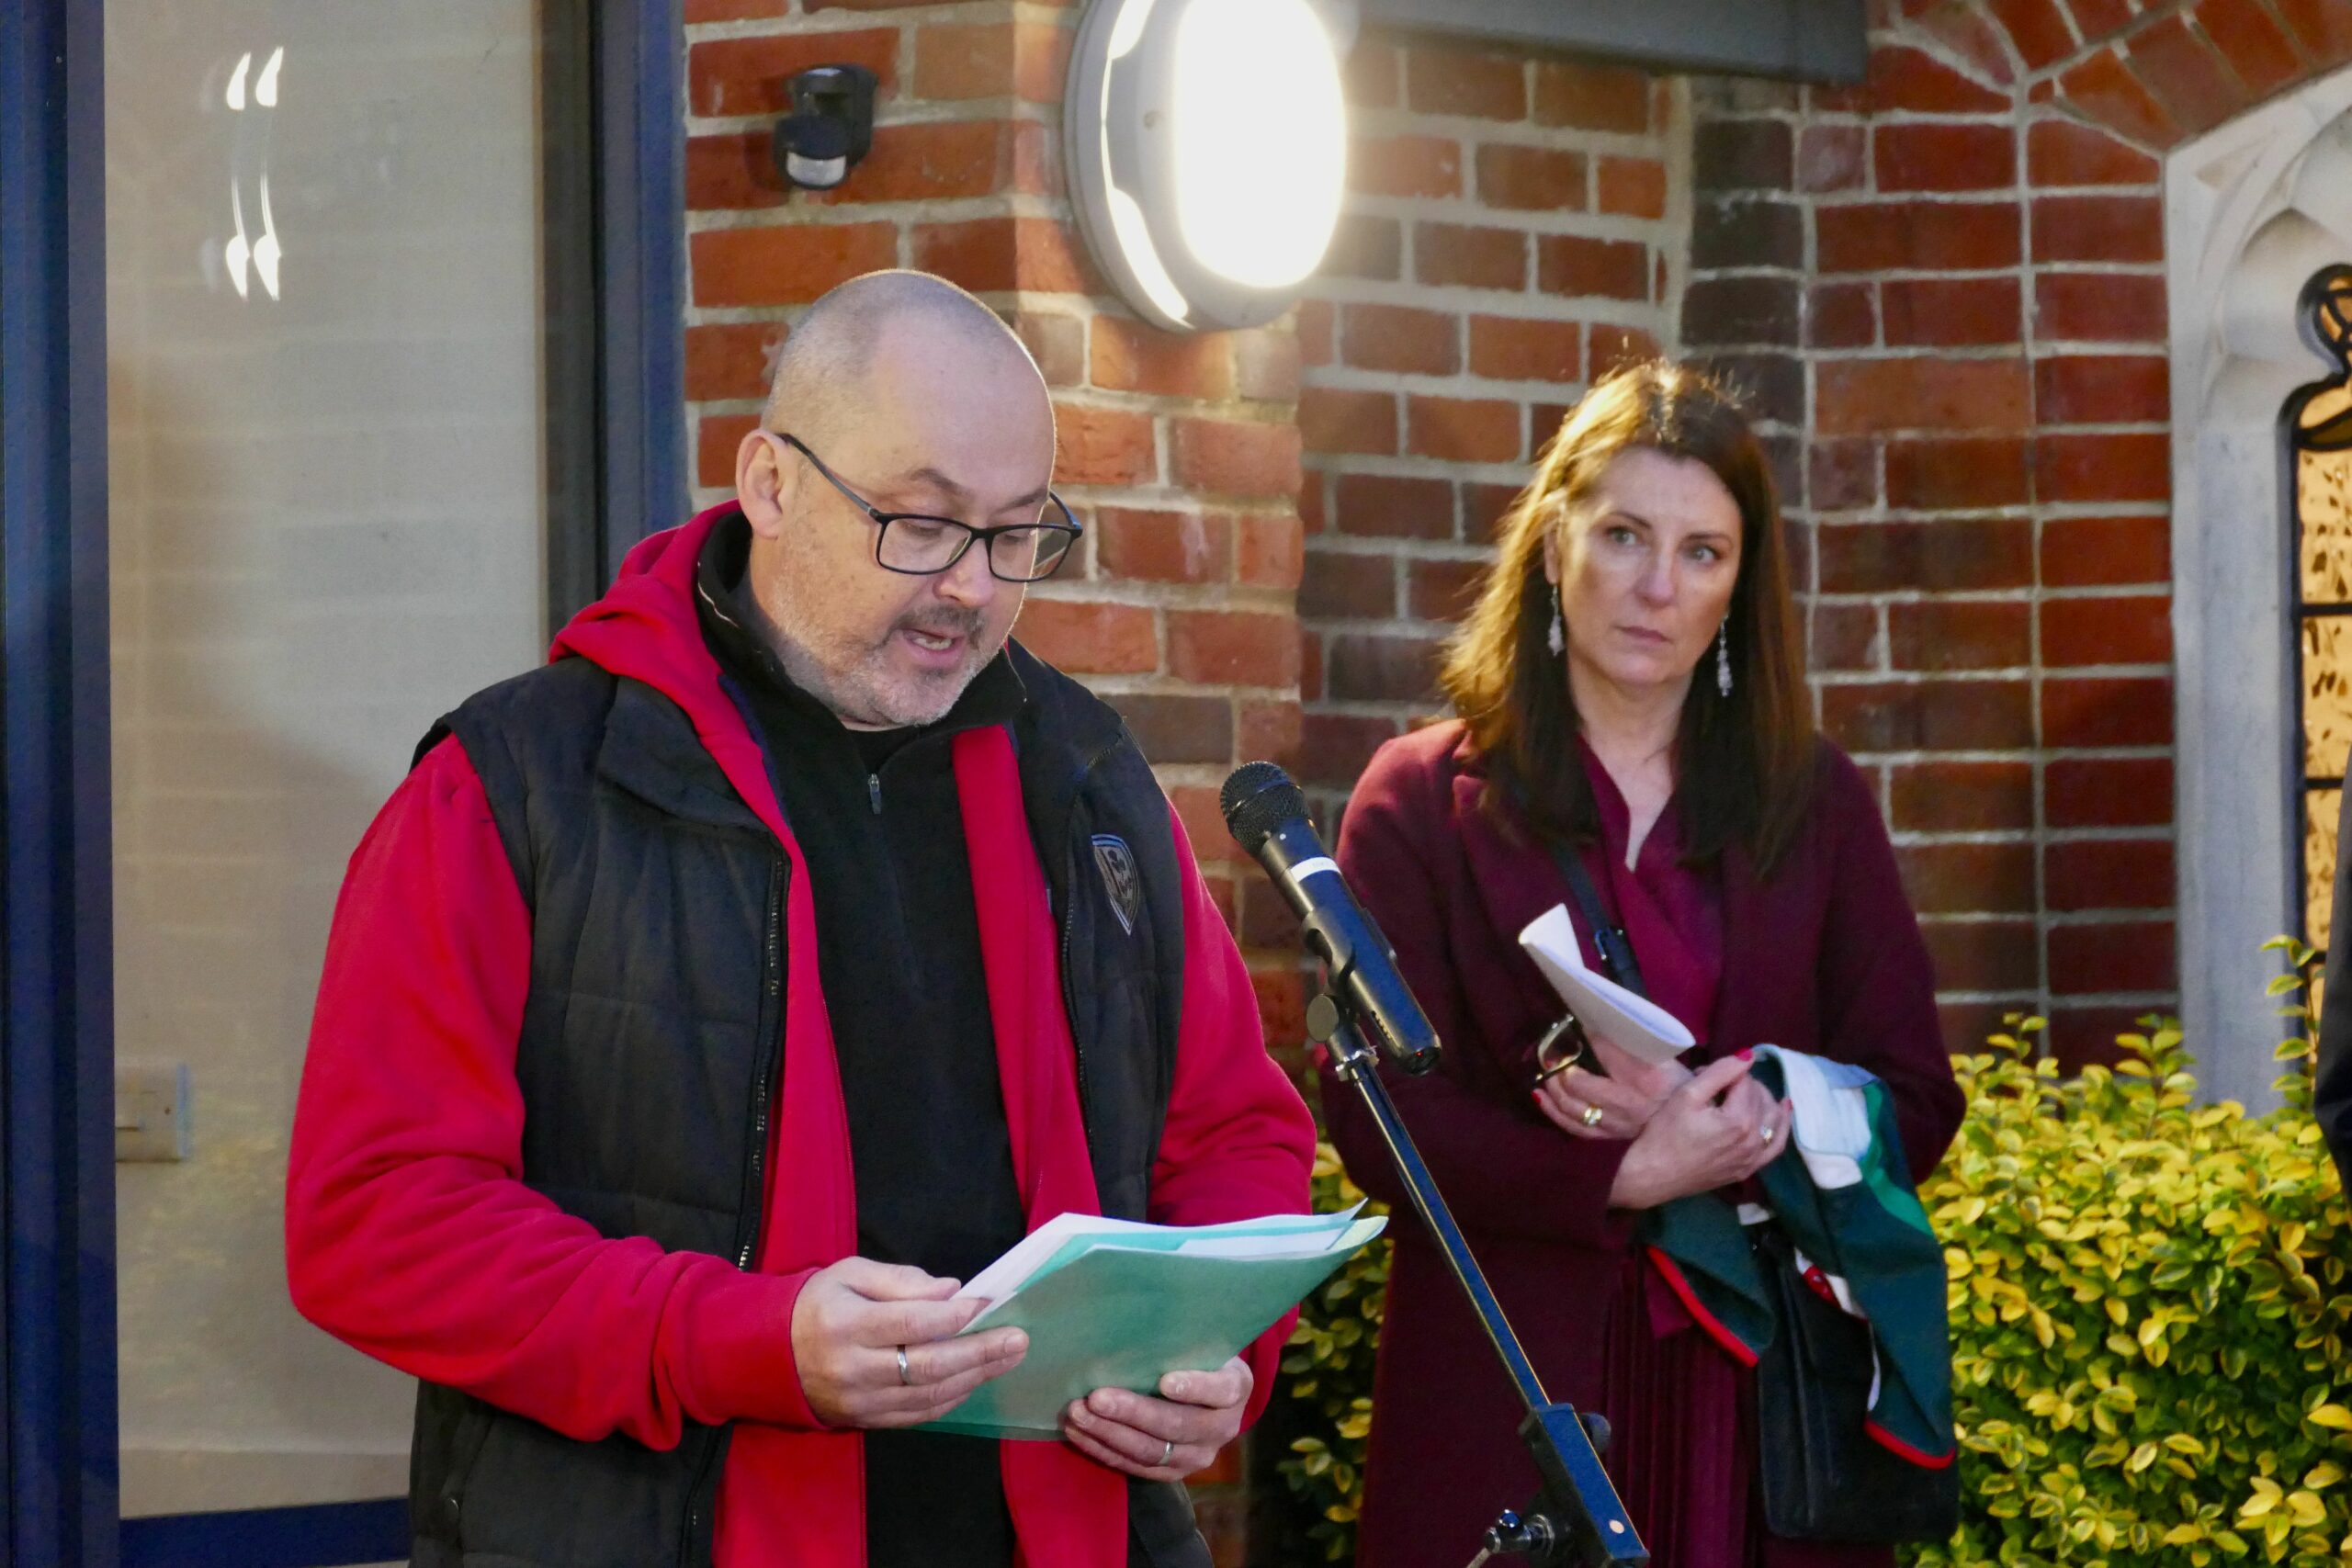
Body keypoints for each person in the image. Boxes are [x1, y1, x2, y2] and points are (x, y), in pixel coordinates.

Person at [284, 270, 1316, 1568]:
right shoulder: (518, 781)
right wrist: (737, 1340)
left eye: (1014, 537)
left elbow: (1231, 1129)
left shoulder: (1088, 778)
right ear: (770, 483)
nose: (970, 591)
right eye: (923, 523)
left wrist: (1213, 1352)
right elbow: (373, 1217)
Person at [1325, 362, 1966, 1568]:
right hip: (1515, 1384)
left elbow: (1918, 1094)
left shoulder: (1814, 802)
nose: (1659, 588)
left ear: (1740, 585)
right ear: (1555, 539)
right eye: (1624, 536)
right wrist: (1616, 1178)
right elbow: (1373, 1109)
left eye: (1703, 553)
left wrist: (1736, 1125)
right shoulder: (1415, 801)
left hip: (1762, 1399)